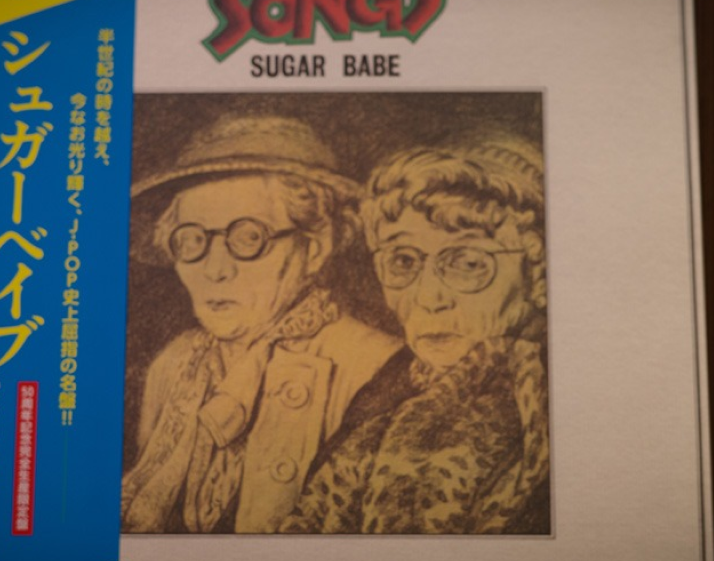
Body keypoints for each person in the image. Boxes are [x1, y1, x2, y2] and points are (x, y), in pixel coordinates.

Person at [121, 115, 401, 534]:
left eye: (249, 238)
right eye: (192, 240)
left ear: (315, 249)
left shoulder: (374, 367)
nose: (215, 269)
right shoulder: (174, 364)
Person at [282, 138, 550, 534]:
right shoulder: (373, 410)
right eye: (403, 261)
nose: (429, 297)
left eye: (468, 263)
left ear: (536, 273)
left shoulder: (548, 418)